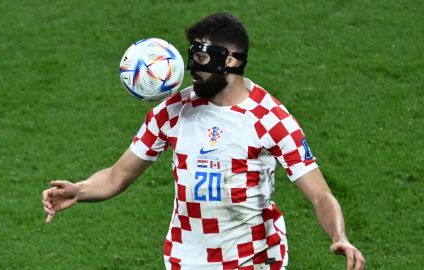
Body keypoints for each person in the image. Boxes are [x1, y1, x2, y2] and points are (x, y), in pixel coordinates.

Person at [42, 12, 365, 270]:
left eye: (202, 56)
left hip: (252, 259)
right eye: (191, 54)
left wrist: (339, 236)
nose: (191, 66)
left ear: (233, 60)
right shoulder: (171, 112)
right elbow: (117, 175)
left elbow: (320, 195)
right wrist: (79, 190)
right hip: (185, 259)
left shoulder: (271, 120)